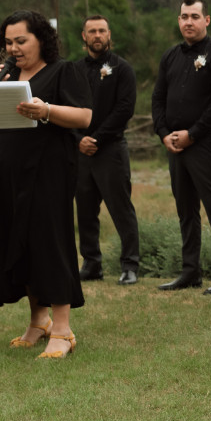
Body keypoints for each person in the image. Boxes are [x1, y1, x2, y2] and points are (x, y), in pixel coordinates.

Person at [0, 10, 92, 359]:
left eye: (21, 41)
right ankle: (38, 323)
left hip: (49, 171)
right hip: (9, 171)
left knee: (49, 243)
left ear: (41, 39)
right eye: (8, 42)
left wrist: (47, 111)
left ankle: (63, 329)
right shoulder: (6, 73)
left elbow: (84, 116)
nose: (14, 48)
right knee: (17, 241)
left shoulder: (63, 71)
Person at [152, 0, 211, 295]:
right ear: (178, 20)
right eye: (184, 16)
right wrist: (164, 133)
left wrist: (192, 133)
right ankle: (190, 272)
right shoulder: (170, 57)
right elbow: (158, 98)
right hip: (175, 145)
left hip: (205, 143)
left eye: (194, 16)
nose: (189, 21)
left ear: (206, 20)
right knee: (185, 210)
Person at [74, 15, 140, 286]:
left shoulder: (122, 69)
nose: (97, 35)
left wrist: (97, 139)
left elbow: (124, 109)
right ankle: (91, 264)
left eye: (102, 30)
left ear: (109, 34)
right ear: (84, 36)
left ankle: (130, 266)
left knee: (121, 208)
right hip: (80, 151)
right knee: (85, 211)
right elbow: (65, 106)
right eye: (92, 31)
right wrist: (78, 139)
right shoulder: (74, 70)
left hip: (111, 149)